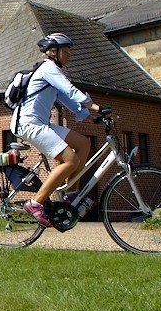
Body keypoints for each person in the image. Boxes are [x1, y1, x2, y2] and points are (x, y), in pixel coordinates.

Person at [11, 33, 100, 227]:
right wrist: (95, 107)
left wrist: (90, 116)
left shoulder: (53, 71)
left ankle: (70, 194)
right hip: (29, 123)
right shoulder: (48, 68)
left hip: (42, 123)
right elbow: (70, 90)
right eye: (65, 51)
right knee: (71, 160)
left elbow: (67, 99)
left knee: (83, 144)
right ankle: (35, 203)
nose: (69, 55)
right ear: (54, 52)